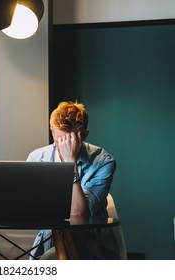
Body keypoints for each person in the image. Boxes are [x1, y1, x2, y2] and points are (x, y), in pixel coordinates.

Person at [27, 101, 126, 259]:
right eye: (60, 140)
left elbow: (78, 215)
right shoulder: (37, 158)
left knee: (71, 230)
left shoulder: (103, 161)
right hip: (49, 238)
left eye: (70, 140)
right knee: (57, 230)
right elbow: (32, 211)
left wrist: (70, 163)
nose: (64, 145)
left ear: (84, 135)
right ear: (52, 132)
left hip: (91, 244)